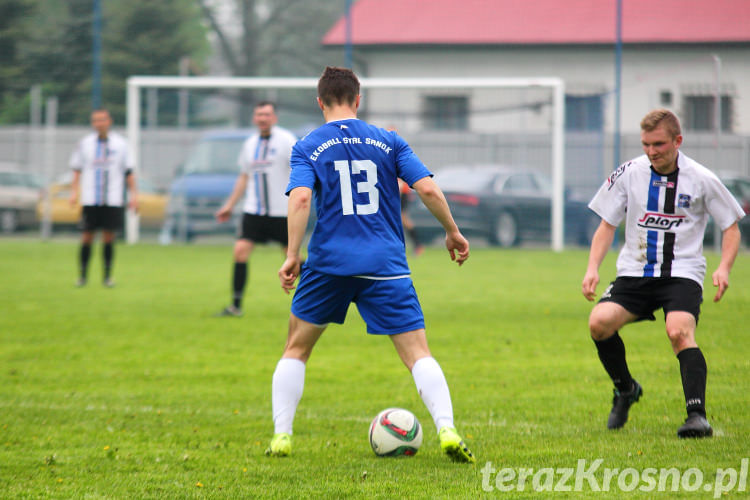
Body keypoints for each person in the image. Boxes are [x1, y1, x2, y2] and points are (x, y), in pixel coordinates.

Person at [265, 66, 475, 462]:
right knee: (418, 353)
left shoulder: (308, 144)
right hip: (385, 264)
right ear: (358, 100)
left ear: (320, 101)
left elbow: (301, 199)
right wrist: (452, 231)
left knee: (296, 349)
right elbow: (426, 186)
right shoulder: (389, 140)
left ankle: (282, 436)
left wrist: (293, 254)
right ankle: (447, 428)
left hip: (328, 264)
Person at [582, 109, 745, 438]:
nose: (652, 151)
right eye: (646, 144)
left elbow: (731, 226)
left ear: (677, 141)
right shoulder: (629, 172)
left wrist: (724, 268)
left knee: (679, 332)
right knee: (598, 323)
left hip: (682, 273)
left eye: (658, 144)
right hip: (635, 272)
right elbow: (606, 225)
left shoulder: (701, 178)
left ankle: (696, 416)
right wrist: (592, 268)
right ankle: (626, 389)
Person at [214, 101, 297, 317]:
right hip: (254, 211)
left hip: (282, 212)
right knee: (240, 251)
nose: (262, 118)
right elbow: (244, 177)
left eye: (267, 114)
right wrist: (229, 205)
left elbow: (300, 170)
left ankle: (319, 299)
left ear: (274, 118)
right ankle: (235, 305)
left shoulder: (287, 141)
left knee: (292, 259)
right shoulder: (250, 144)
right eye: (259, 114)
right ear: (254, 118)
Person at [69, 109, 138, 287]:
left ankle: (107, 277)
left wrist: (134, 196)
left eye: (102, 120)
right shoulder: (84, 144)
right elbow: (76, 169)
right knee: (86, 237)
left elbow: (129, 171)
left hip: (113, 198)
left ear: (109, 121)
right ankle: (82, 276)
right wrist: (74, 192)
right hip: (91, 198)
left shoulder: (121, 144)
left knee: (109, 238)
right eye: (95, 121)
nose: (99, 123)